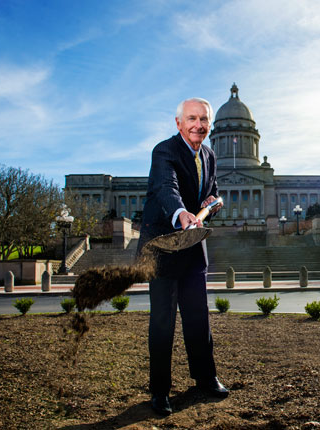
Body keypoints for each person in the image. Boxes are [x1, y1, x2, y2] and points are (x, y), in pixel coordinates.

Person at [138, 97, 227, 416]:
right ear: (179, 123)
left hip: (193, 246)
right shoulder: (164, 151)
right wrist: (181, 212)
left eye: (203, 120)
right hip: (163, 246)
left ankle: (205, 377)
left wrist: (210, 202)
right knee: (162, 321)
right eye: (191, 118)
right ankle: (160, 391)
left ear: (209, 125)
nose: (198, 125)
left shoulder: (210, 154)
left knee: (198, 317)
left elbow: (210, 189)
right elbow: (166, 188)